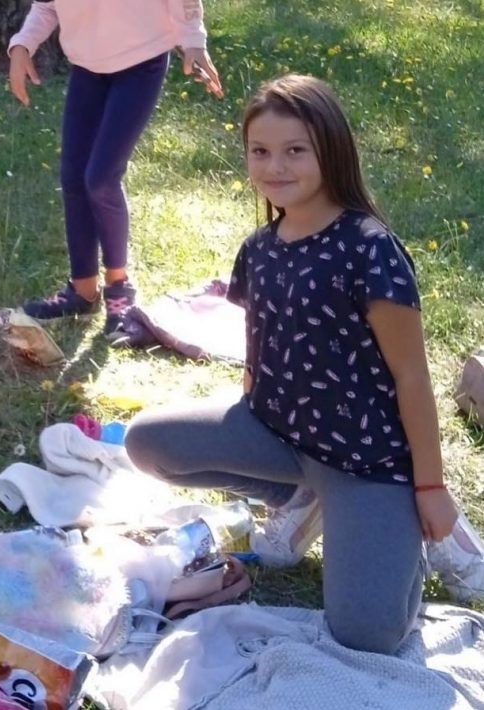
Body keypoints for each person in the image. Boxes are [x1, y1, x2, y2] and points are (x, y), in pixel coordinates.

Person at [124, 75, 484, 655]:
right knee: (146, 443)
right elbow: (260, 342)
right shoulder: (259, 248)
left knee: (367, 636)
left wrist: (431, 486)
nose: (275, 166)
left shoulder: (370, 248)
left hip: (367, 460)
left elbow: (412, 377)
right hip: (279, 435)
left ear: (330, 151)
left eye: (295, 150)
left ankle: (404, 527)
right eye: (260, 151)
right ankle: (303, 498)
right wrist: (245, 407)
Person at [7, 0, 222, 332]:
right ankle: (82, 291)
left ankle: (119, 287)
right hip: (87, 69)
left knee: (102, 179)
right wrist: (23, 45)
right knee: (74, 179)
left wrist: (193, 40)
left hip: (141, 63)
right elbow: (47, 7)